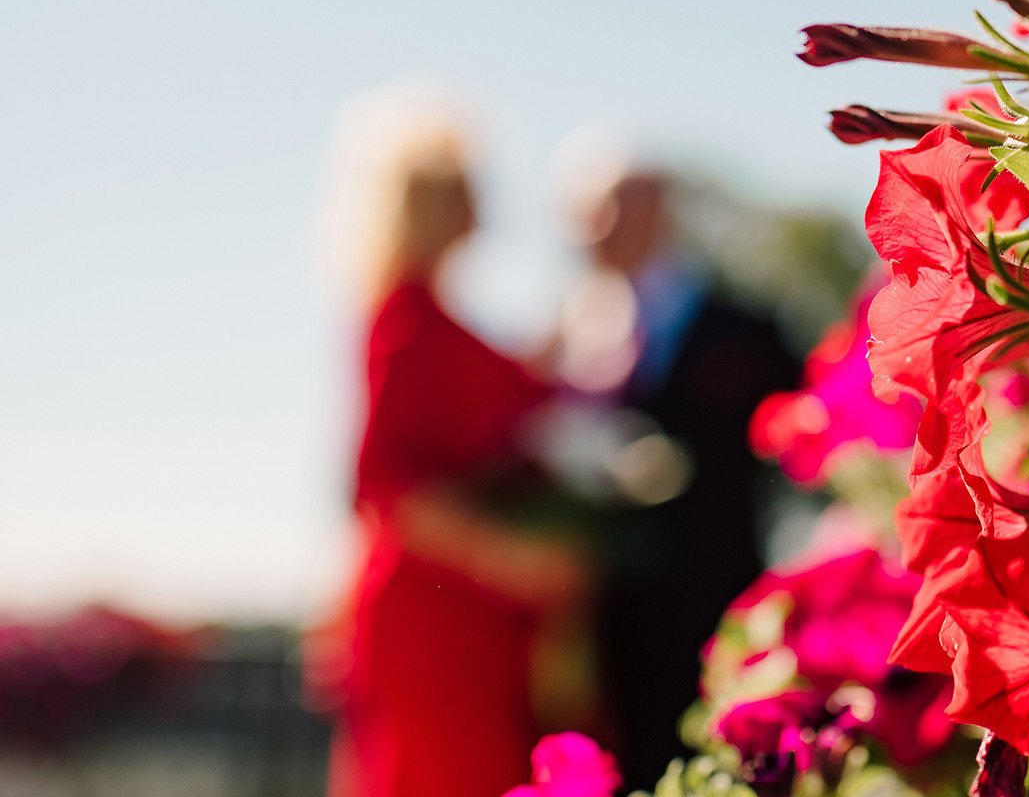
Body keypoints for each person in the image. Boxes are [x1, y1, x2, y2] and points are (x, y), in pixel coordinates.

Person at [322, 94, 584, 797]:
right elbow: (381, 483)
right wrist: (509, 556)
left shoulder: (439, 319)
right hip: (431, 616)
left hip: (476, 618)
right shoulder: (403, 318)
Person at [553, 152, 801, 790]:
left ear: (653, 209)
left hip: (722, 613)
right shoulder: (572, 339)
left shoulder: (746, 326)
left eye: (603, 212)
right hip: (613, 632)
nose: (589, 233)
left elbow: (796, 446)